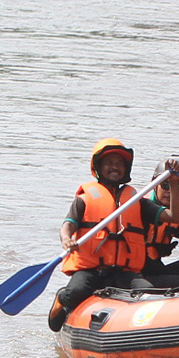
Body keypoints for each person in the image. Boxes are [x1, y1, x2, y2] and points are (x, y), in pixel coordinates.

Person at [44, 138, 166, 331]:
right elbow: (68, 225)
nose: (115, 167)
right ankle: (61, 298)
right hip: (91, 268)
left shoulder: (136, 200)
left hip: (122, 270)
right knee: (76, 291)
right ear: (98, 167)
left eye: (119, 164)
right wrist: (67, 240)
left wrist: (174, 185)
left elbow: (173, 217)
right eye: (109, 163)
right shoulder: (84, 199)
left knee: (148, 293)